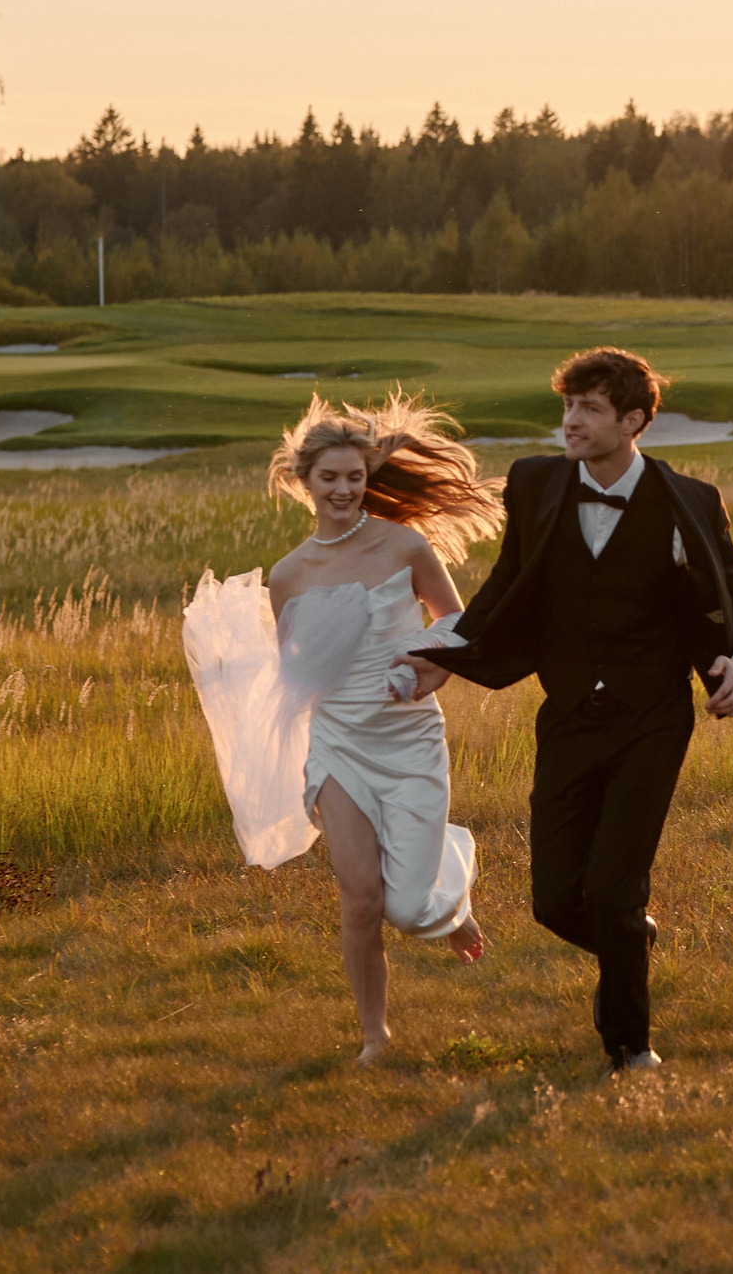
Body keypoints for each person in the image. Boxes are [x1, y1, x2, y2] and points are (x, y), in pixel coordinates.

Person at [402, 347, 733, 1074]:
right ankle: (627, 939)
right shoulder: (536, 482)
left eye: (589, 408)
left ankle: (629, 1046)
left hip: (651, 718)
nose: (570, 422)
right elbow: (505, 586)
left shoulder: (691, 501)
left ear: (635, 420)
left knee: (615, 884)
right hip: (569, 715)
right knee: (555, 898)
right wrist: (442, 651)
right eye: (567, 406)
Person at [181, 392, 503, 1064]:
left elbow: (458, 626)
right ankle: (373, 1036)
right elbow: (297, 668)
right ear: (304, 482)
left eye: (355, 476)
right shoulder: (289, 574)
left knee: (410, 908)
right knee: (361, 899)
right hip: (337, 744)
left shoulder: (404, 545)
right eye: (330, 477)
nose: (344, 489)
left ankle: (449, 894)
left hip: (408, 735)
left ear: (368, 478)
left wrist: (425, 669)